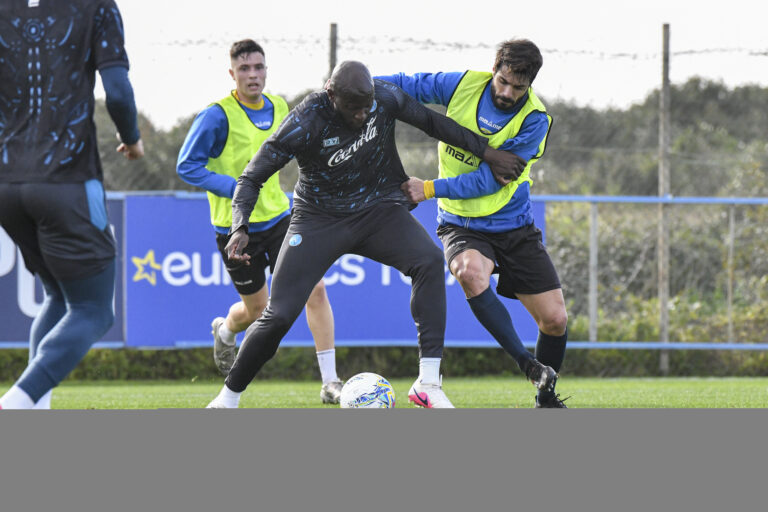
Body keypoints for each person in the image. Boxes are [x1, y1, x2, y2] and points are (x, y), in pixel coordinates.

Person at [206, 60, 550, 409]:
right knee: (278, 314)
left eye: (366, 106)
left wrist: (489, 154)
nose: (362, 115)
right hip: (319, 219)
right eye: (353, 108)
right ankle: (227, 399)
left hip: (378, 211)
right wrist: (240, 226)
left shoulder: (383, 96)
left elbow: (434, 123)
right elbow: (251, 177)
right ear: (331, 95)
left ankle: (428, 382)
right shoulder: (305, 121)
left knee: (429, 261)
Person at [378, 39, 569, 408]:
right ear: (494, 69)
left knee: (555, 320)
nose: (507, 92)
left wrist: (428, 188)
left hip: (514, 226)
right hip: (462, 223)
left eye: (518, 87)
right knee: (469, 272)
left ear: (530, 85)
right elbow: (408, 83)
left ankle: (545, 400)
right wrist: (357, 82)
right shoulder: (463, 84)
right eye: (503, 81)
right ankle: (527, 363)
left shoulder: (534, 120)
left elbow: (488, 181)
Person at [177, 39, 342, 404]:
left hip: (282, 217)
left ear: (266, 70)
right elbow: (187, 166)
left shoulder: (279, 106)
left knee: (315, 288)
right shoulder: (216, 116)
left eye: (258, 67)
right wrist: (237, 189)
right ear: (232, 73)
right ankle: (226, 329)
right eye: (244, 69)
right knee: (257, 311)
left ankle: (331, 383)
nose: (253, 75)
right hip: (237, 229)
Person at [0, 0, 143, 410]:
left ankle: (35, 411)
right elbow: (118, 92)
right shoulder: (96, 5)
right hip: (68, 182)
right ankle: (15, 404)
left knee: (59, 297)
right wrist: (131, 138)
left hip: (7, 184)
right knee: (94, 310)